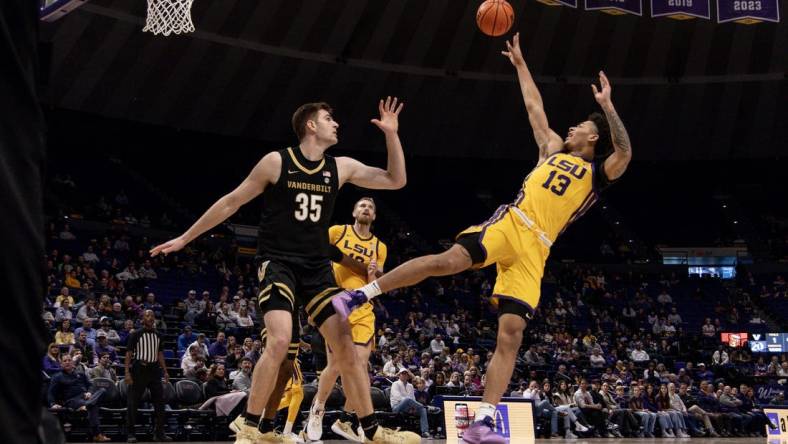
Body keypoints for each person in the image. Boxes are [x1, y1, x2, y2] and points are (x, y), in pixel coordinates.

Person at [333, 32, 632, 444]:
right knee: (446, 262)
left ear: (592, 138)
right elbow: (533, 107)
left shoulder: (599, 174)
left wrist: (607, 107)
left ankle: (484, 421)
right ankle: (360, 294)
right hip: (513, 222)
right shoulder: (551, 148)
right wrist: (521, 65)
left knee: (511, 333)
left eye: (579, 126)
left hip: (538, 248)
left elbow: (626, 152)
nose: (570, 127)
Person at [150, 98, 417, 444]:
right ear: (310, 126)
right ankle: (249, 426)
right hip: (277, 263)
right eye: (328, 119)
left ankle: (371, 430)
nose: (336, 124)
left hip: (317, 269)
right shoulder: (277, 162)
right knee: (278, 341)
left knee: (346, 348)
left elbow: (396, 179)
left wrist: (392, 135)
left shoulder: (341, 167)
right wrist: (186, 237)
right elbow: (232, 201)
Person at [307, 197, 389, 441]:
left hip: (363, 308)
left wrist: (375, 275)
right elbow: (316, 259)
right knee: (337, 366)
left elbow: (379, 281)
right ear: (354, 211)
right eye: (362, 205)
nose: (366, 209)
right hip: (335, 304)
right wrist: (315, 302)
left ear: (374, 217)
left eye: (371, 207)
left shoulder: (379, 246)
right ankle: (317, 409)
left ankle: (344, 420)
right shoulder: (337, 232)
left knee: (360, 367)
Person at [124, 310, 171, 443]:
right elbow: (128, 354)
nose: (150, 318)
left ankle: (159, 433)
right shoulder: (135, 334)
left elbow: (160, 354)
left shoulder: (159, 335)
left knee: (160, 402)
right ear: (142, 319)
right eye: (147, 316)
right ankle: (131, 433)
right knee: (133, 402)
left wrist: (166, 371)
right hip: (139, 369)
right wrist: (127, 372)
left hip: (154, 369)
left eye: (152, 316)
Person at [48, 355, 110, 442]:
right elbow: (51, 392)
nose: (67, 362)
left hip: (86, 399)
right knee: (94, 406)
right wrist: (53, 404)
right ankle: (97, 434)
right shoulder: (57, 377)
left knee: (102, 390)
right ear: (61, 364)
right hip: (72, 401)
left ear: (73, 363)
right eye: (65, 361)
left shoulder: (80, 374)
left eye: (69, 360)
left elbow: (91, 385)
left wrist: (89, 392)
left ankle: (88, 405)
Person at [390, 369, 431, 438]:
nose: (404, 375)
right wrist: (410, 404)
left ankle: (425, 431)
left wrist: (412, 407)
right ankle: (425, 407)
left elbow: (413, 399)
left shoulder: (410, 386)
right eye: (402, 373)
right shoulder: (395, 384)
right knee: (408, 399)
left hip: (408, 408)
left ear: (408, 376)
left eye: (406, 374)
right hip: (396, 407)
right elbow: (398, 398)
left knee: (422, 410)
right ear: (399, 375)